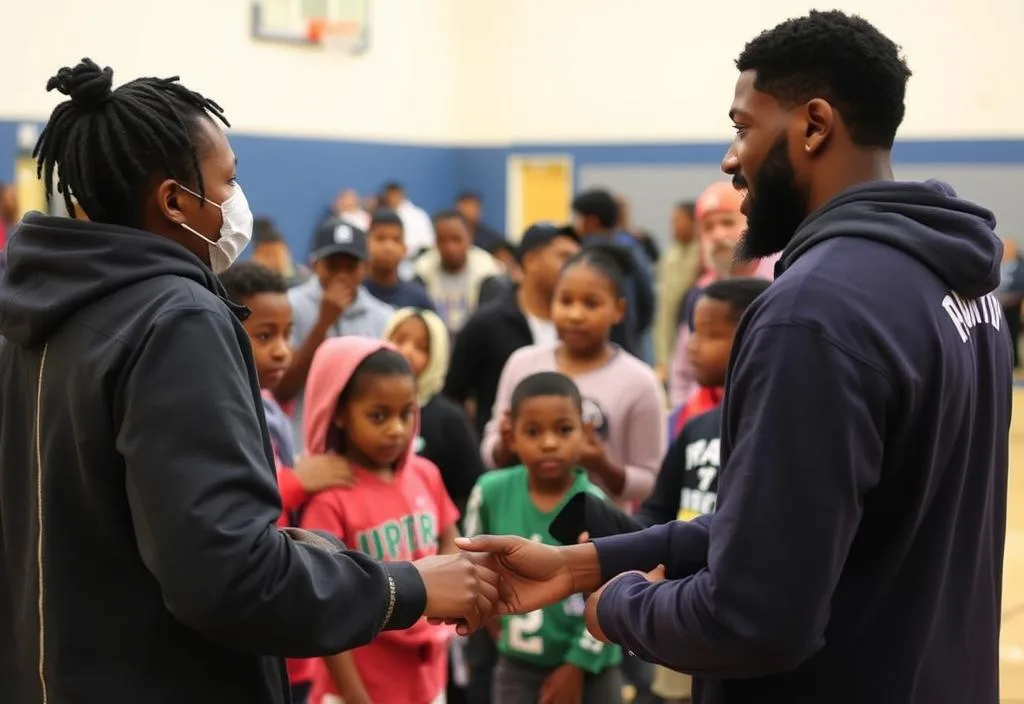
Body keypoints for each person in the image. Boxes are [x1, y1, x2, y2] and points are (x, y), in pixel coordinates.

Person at [461, 10, 1011, 704]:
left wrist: (616, 605)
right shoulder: (960, 283)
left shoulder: (814, 312)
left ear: (813, 125)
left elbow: (755, 618)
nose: (730, 158)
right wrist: (591, 562)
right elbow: (798, 525)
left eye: (743, 127)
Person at [0, 59, 500, 704]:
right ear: (176, 200)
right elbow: (227, 578)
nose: (237, 202)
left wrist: (300, 547)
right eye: (227, 180)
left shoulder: (27, 313)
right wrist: (408, 585)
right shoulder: (176, 319)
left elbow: (110, 527)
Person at [220, 262, 357, 702]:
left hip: (292, 618)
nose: (282, 351)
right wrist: (297, 481)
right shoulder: (222, 411)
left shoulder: (271, 408)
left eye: (286, 334)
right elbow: (235, 508)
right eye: (265, 336)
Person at [297, 339, 460, 704]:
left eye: (406, 413)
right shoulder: (331, 497)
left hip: (426, 676)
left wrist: (445, 591)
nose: (397, 430)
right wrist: (355, 695)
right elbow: (326, 609)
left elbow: (449, 531)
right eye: (378, 415)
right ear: (339, 412)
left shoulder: (426, 474)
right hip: (359, 686)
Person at [464, 372, 623, 704]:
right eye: (533, 432)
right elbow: (471, 566)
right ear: (511, 436)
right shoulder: (490, 491)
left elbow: (613, 590)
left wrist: (576, 665)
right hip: (517, 665)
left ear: (585, 432)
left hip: (591, 666)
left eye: (563, 430)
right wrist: (492, 622)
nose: (549, 443)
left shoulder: (594, 505)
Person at [481, 243, 666, 511]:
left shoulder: (640, 382)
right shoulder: (522, 363)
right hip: (521, 522)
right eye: (565, 301)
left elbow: (650, 480)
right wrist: (506, 446)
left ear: (618, 310)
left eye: (591, 304)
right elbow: (490, 449)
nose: (575, 315)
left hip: (597, 535)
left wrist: (602, 465)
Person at [444, 223, 580, 440]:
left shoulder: (579, 329)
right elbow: (452, 397)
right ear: (531, 261)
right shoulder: (487, 324)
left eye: (578, 259)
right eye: (565, 257)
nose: (574, 268)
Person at [277, 217, 394, 443]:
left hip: (363, 446)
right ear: (314, 265)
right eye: (332, 266)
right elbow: (283, 390)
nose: (341, 276)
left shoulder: (384, 316)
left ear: (366, 268)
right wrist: (323, 323)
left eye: (351, 267)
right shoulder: (289, 306)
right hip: (303, 443)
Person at [385, 307, 484, 516]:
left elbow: (468, 489)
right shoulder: (362, 406)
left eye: (422, 347)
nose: (407, 351)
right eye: (399, 340)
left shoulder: (449, 419)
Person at [571, 189, 655, 359]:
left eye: (578, 218)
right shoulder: (633, 249)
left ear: (591, 221)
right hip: (630, 350)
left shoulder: (582, 256)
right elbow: (647, 302)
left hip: (591, 354)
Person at [415, 210, 504, 335]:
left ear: (470, 238)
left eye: (456, 239)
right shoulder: (422, 271)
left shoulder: (488, 272)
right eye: (442, 240)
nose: (449, 247)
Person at [652, 201, 700, 382]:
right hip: (670, 333)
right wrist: (662, 359)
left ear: (694, 222)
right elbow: (664, 311)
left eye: (677, 220)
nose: (673, 226)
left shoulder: (702, 256)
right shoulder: (670, 256)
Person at [362, 208, 436, 311]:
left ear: (405, 249)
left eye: (396, 239)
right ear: (365, 244)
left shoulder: (418, 298)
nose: (388, 247)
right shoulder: (354, 294)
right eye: (380, 238)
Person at [381, 181, 435, 279]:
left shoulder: (418, 215)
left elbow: (428, 243)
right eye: (389, 195)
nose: (392, 198)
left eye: (394, 194)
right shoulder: (383, 216)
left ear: (401, 194)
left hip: (416, 266)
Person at [455, 190, 516, 271]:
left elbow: (505, 260)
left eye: (473, 207)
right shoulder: (447, 236)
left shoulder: (490, 238)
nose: (469, 212)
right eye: (466, 207)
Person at [251, 216, 312, 287]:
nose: (272, 259)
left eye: (275, 253)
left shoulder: (302, 277)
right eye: (267, 254)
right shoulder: (251, 279)